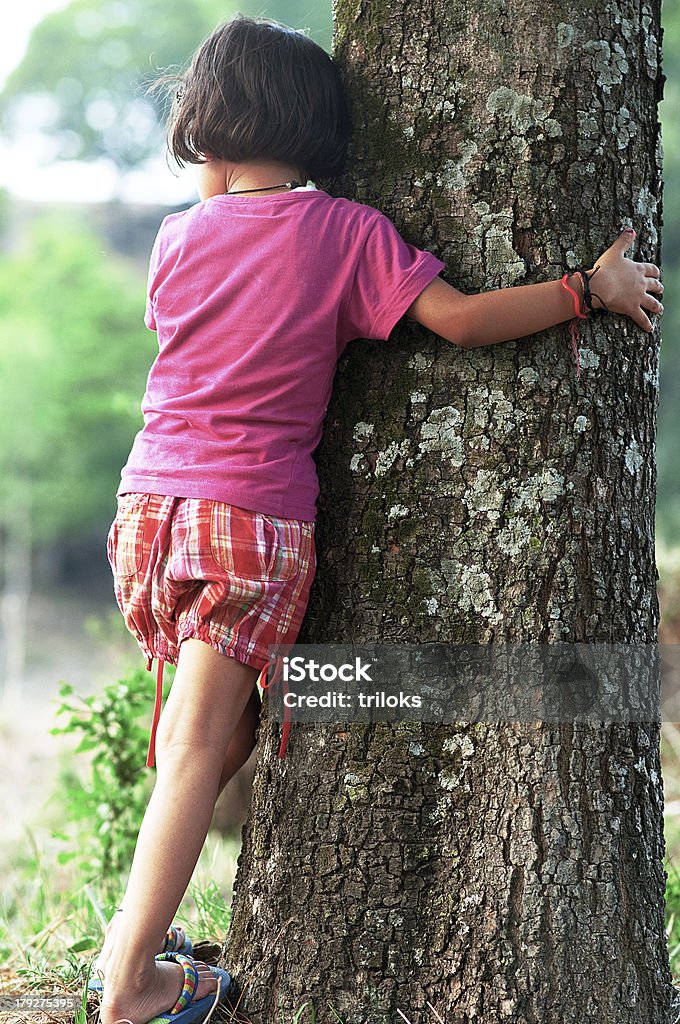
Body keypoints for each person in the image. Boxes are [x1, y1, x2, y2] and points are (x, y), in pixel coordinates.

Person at [92, 13, 663, 1024]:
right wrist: (587, 288)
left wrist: (216, 174)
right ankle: (133, 982)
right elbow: (459, 321)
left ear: (208, 131)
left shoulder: (177, 240)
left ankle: (126, 945)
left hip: (149, 511)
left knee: (200, 734)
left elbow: (215, 261)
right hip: (245, 517)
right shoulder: (342, 233)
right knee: (196, 743)